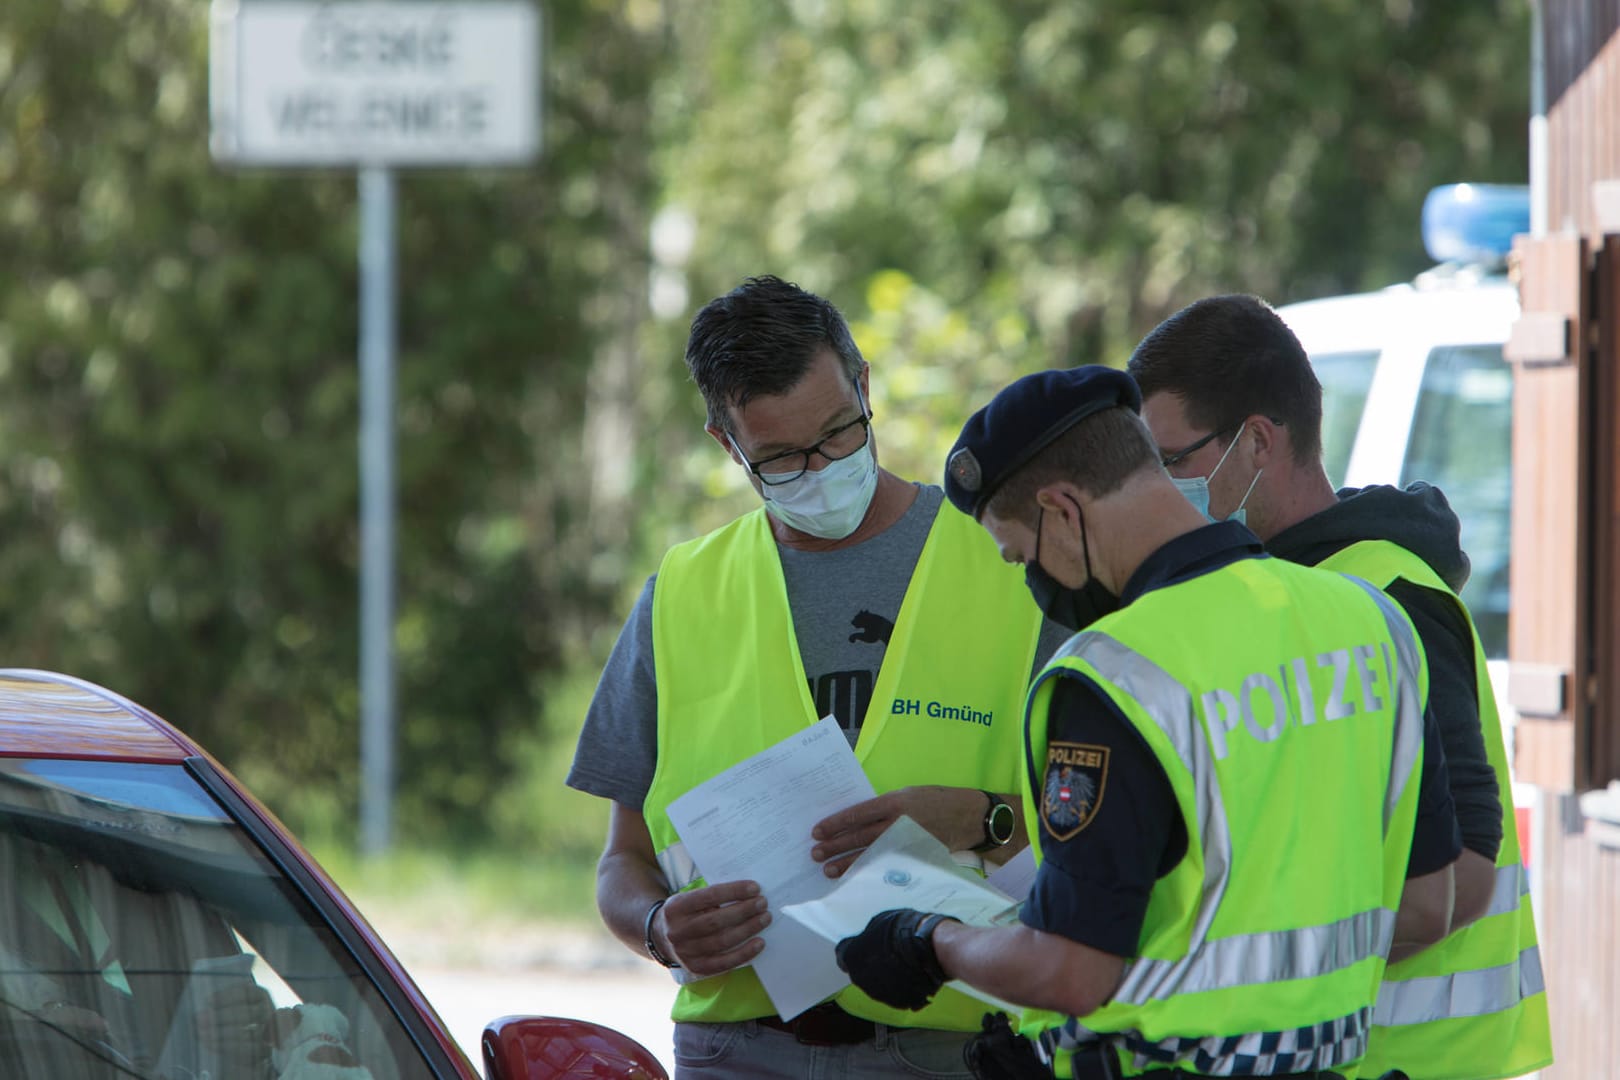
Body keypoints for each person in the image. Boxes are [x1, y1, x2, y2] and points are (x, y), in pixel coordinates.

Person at [834, 365, 1462, 1079]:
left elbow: (1070, 973)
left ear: (1062, 509)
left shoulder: (1118, 673)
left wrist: (928, 940)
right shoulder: (1371, 621)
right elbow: (1424, 909)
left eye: (1022, 555)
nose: (1032, 579)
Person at [565, 275, 1067, 1078]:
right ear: (726, 445)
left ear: (864, 384)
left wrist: (984, 819)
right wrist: (658, 927)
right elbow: (621, 861)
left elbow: (1112, 824)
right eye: (781, 457)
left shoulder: (1009, 562)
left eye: (839, 431)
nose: (822, 466)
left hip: (957, 1043)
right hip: (737, 1051)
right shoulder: (685, 591)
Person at [1127, 295, 1552, 1079]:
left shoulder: (1393, 596)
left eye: (1171, 461)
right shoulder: (1269, 595)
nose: (1154, 489)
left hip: (1415, 1058)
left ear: (1255, 441)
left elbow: (1462, 875)